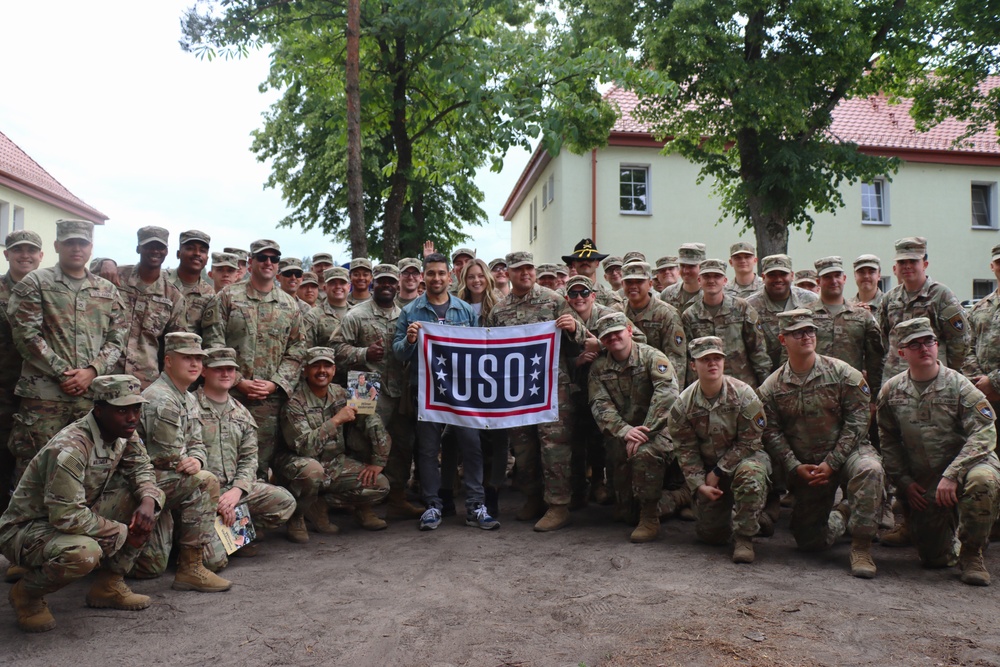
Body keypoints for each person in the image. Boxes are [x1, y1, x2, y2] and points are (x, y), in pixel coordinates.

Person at [0, 375, 165, 633]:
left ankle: (108, 585)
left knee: (146, 506)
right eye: (122, 410)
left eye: (136, 408)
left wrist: (147, 499)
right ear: (99, 410)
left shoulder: (123, 433)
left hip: (75, 513)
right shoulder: (71, 448)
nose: (132, 417)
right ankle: (26, 596)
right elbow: (66, 516)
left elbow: (142, 468)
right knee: (84, 553)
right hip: (27, 529)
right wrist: (122, 532)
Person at [758, 309, 883, 578]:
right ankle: (845, 513)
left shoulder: (842, 374)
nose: (807, 336)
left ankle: (862, 547)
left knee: (870, 469)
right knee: (809, 541)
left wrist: (833, 461)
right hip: (809, 465)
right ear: (783, 339)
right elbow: (771, 432)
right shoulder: (772, 387)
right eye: (798, 333)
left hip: (848, 453)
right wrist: (794, 466)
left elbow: (859, 420)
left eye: (810, 330)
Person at [879, 317, 1000, 585]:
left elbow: (984, 431)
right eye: (915, 344)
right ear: (902, 352)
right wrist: (905, 482)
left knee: (984, 482)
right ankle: (954, 533)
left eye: (929, 341)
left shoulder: (959, 386)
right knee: (934, 559)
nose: (924, 348)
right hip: (927, 476)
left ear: (937, 345)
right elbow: (887, 441)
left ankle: (972, 552)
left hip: (968, 465)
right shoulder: (891, 391)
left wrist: (954, 474)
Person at [7, 219, 126, 480]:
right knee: (34, 468)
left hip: (89, 396)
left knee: (84, 467)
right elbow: (26, 334)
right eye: (69, 242)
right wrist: (63, 373)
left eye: (81, 243)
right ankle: (25, 522)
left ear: (91, 247)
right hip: (44, 398)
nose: (76, 248)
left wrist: (92, 371)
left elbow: (118, 339)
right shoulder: (35, 282)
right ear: (56, 245)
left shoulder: (106, 290)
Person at [484, 251, 588, 531]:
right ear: (508, 273)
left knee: (554, 447)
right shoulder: (499, 310)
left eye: (530, 268)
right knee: (523, 447)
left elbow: (581, 337)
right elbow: (490, 350)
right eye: (519, 269)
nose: (526, 273)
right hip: (517, 391)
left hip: (553, 386)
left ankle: (558, 506)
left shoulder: (554, 300)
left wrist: (574, 326)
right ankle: (533, 498)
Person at [393, 253, 497, 531]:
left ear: (450, 277)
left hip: (462, 393)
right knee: (427, 450)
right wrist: (411, 340)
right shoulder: (410, 311)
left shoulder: (464, 311)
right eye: (431, 273)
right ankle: (432, 505)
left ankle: (476, 505)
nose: (436, 278)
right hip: (426, 392)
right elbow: (399, 353)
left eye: (441, 273)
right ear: (424, 277)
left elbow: (479, 352)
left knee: (471, 445)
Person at [130, 333, 231, 592]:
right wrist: (192, 463)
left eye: (198, 358)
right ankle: (187, 568)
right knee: (148, 568)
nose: (195, 364)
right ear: (168, 361)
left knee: (216, 560)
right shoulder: (161, 398)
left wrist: (196, 459)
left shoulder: (187, 396)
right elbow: (167, 457)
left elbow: (197, 445)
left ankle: (190, 563)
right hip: (143, 484)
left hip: (168, 480)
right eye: (187, 358)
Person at [202, 239, 305, 481]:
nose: (268, 262)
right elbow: (212, 342)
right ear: (250, 263)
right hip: (229, 396)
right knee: (221, 462)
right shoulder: (228, 297)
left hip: (268, 401)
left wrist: (275, 383)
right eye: (262, 257)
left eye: (274, 258)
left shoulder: (290, 305)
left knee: (258, 466)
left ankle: (254, 517)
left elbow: (297, 350)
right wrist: (237, 381)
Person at [331, 263, 424, 520]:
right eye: (381, 281)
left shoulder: (405, 315)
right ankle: (364, 506)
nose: (386, 286)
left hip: (399, 387)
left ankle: (396, 498)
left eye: (391, 282)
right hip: (365, 384)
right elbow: (335, 350)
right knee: (363, 444)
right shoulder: (355, 315)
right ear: (373, 284)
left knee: (402, 445)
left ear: (397, 285)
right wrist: (363, 353)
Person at [669, 337, 770, 563]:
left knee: (751, 474)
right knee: (711, 536)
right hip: (707, 471)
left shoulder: (744, 394)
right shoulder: (683, 405)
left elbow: (751, 441)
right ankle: (753, 515)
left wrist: (719, 470)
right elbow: (686, 450)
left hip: (745, 460)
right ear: (693, 365)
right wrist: (699, 485)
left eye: (717, 358)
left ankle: (745, 537)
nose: (712, 364)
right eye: (705, 359)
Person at [197, 347, 295, 570]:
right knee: (213, 562)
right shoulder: (188, 408)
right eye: (218, 369)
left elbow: (250, 459)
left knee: (285, 502)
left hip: (233, 494)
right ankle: (217, 536)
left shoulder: (241, 412)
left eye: (230, 369)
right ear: (204, 371)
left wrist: (237, 491)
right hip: (201, 496)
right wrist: (215, 500)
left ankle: (229, 532)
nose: (225, 374)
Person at [278, 347, 392, 537]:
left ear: (334, 370)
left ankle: (320, 504)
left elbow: (374, 424)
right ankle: (297, 515)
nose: (322, 371)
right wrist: (336, 421)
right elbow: (305, 447)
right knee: (312, 470)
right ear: (306, 370)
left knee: (380, 484)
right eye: (316, 366)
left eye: (327, 366)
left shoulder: (342, 393)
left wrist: (378, 462)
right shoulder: (294, 402)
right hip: (299, 464)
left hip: (334, 462)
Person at [589, 312, 679, 543]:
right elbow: (600, 404)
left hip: (656, 434)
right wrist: (624, 430)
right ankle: (672, 499)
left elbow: (667, 396)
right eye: (607, 336)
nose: (613, 338)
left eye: (617, 332)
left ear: (629, 330)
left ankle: (651, 517)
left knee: (644, 453)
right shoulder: (599, 367)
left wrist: (644, 431)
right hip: (623, 438)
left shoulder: (652, 358)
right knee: (625, 513)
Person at [878, 236, 967, 382]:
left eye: (913, 261)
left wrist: (947, 372)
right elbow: (884, 340)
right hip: (895, 381)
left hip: (932, 380)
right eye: (901, 262)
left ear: (925, 264)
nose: (907, 266)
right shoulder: (890, 298)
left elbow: (959, 342)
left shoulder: (941, 295)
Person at [0, 230, 44, 514]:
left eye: (31, 250)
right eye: (18, 250)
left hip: (39, 391)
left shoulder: (48, 291)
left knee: (33, 461)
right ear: (7, 254)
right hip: (3, 389)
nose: (24, 255)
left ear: (41, 256)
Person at [114, 226, 188, 389]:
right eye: (148, 246)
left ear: (166, 251)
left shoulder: (173, 296)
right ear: (138, 248)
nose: (155, 251)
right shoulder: (117, 278)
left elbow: (177, 346)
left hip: (146, 383)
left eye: (160, 247)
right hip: (108, 375)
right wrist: (104, 261)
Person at [680, 259, 770, 388]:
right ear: (699, 281)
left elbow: (758, 349)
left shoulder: (741, 308)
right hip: (707, 387)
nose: (711, 281)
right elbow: (689, 358)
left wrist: (764, 384)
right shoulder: (690, 315)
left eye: (717, 276)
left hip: (743, 385)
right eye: (706, 276)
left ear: (725, 281)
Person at [810, 256, 884, 389]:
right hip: (815, 391)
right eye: (827, 277)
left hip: (852, 391)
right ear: (818, 282)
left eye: (837, 275)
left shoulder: (862, 315)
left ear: (844, 278)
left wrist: (873, 397)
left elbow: (875, 361)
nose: (834, 281)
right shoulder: (806, 315)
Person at [746, 254, 819, 372]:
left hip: (808, 373)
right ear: (763, 277)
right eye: (772, 275)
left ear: (792, 275)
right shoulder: (750, 306)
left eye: (783, 274)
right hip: (766, 376)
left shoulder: (811, 300)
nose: (778, 279)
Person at [621, 262, 687, 383]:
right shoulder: (617, 313)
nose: (633, 286)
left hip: (658, 380)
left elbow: (676, 359)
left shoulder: (667, 314)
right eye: (629, 282)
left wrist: (671, 392)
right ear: (622, 284)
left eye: (639, 282)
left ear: (650, 284)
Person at [166, 230, 215, 333]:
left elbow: (210, 334)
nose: (197, 253)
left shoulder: (210, 295)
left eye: (202, 251)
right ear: (178, 254)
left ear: (206, 259)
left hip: (192, 347)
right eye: (190, 248)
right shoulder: (162, 281)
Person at [562, 238, 624, 310]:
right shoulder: (562, 294)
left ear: (597, 264)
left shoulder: (609, 295)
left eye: (590, 259)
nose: (585, 262)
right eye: (580, 259)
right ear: (574, 264)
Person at [304, 266, 351, 348]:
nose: (338, 286)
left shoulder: (356, 313)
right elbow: (306, 349)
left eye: (342, 283)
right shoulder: (313, 316)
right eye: (333, 283)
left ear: (349, 287)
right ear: (325, 288)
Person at [660, 243, 705, 313]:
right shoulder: (667, 294)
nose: (686, 271)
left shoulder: (709, 295)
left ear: (702, 267)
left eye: (691, 266)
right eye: (682, 266)